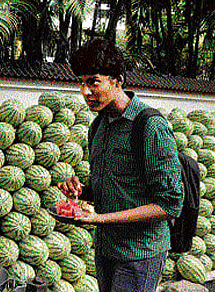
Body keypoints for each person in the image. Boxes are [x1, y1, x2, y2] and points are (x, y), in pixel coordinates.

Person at [58, 39, 183, 292]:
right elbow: (117, 186)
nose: (85, 91)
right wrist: (81, 190)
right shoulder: (98, 126)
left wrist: (99, 219)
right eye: (80, 82)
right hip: (106, 250)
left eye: (93, 81)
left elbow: (170, 204)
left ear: (118, 80)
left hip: (139, 254)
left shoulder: (150, 126)